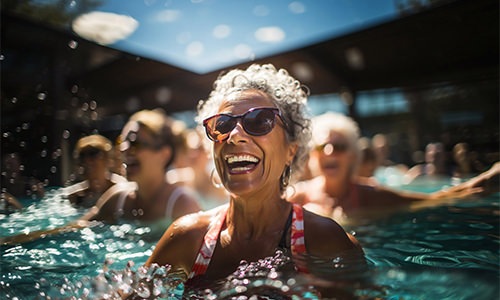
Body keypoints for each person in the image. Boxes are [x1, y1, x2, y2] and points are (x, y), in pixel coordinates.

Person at [144, 64, 365, 297]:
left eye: (260, 120)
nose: (235, 135)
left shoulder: (325, 242)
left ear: (291, 149)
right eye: (222, 124)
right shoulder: (186, 238)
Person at [1, 109, 202, 245]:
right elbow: (72, 229)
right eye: (123, 142)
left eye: (136, 144)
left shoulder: (182, 204)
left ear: (164, 154)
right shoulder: (118, 198)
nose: (125, 149)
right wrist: (12, 242)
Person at [289, 111, 500, 225]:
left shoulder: (369, 195)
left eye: (339, 147)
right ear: (313, 154)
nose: (329, 152)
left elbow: (433, 200)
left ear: (352, 155)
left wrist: (483, 183)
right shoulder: (297, 197)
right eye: (321, 146)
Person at [63, 134, 127, 208]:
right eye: (82, 155)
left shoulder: (122, 189)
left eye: (93, 153)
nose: (87, 160)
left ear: (107, 159)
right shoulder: (74, 196)